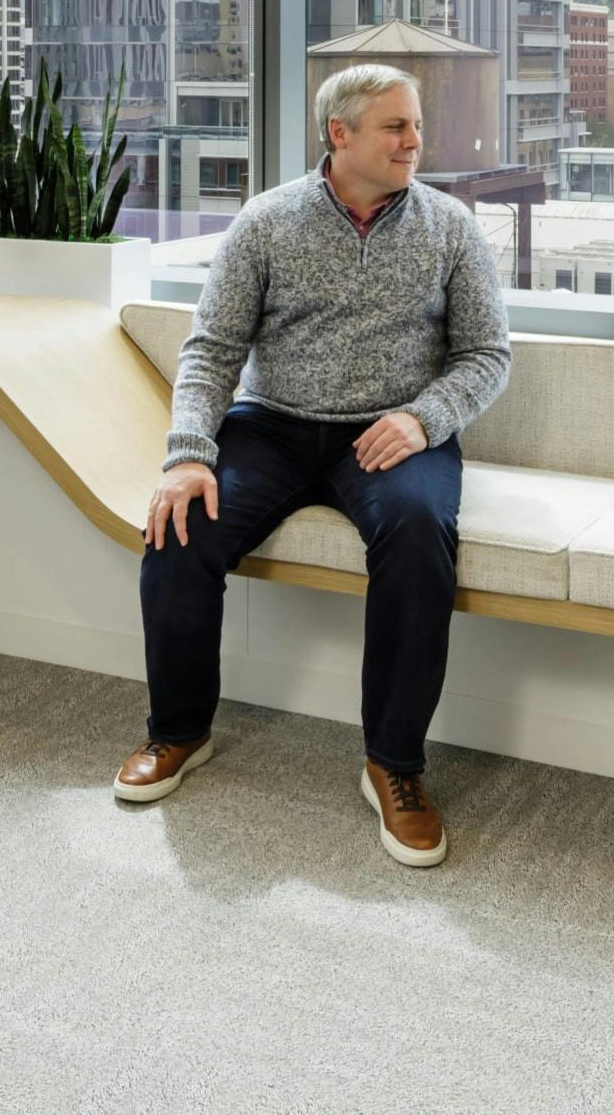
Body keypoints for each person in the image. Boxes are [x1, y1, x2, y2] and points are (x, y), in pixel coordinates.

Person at [118, 64, 507, 868]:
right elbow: (210, 353)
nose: (414, 140)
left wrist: (422, 418)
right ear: (341, 135)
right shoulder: (266, 222)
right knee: (179, 528)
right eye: (395, 127)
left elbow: (484, 356)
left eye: (415, 124)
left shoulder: (450, 226)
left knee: (418, 530)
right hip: (274, 424)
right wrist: (188, 456)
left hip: (395, 431)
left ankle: (394, 765)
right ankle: (178, 732)